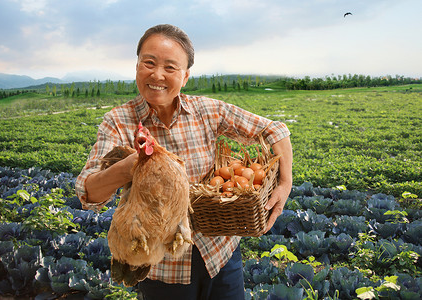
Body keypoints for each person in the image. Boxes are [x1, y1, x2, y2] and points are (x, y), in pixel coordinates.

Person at [75, 24, 293, 300]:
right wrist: (135, 165)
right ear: (137, 66)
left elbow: (275, 130)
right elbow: (87, 192)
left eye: (170, 67)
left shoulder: (207, 110)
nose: (157, 75)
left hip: (221, 254)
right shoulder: (118, 122)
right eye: (149, 63)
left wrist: (285, 183)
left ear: (185, 76)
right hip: (162, 268)